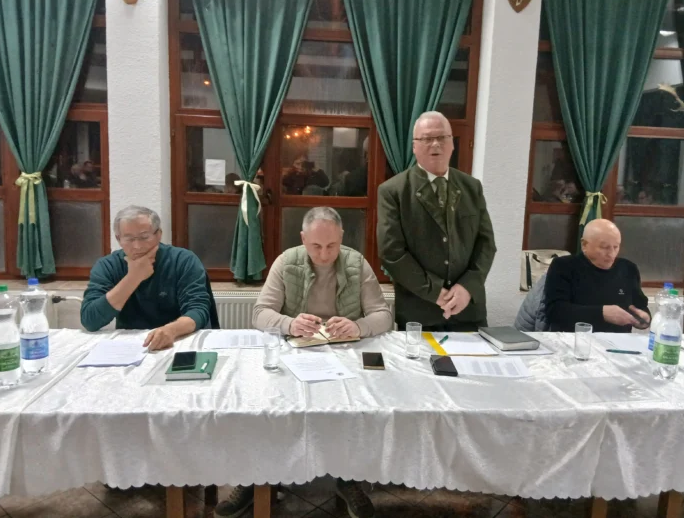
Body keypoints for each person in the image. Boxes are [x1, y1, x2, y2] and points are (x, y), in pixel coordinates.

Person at [215, 207, 390, 518]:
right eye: (316, 246)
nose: (324, 255)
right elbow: (260, 314)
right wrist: (290, 323)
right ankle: (256, 480)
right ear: (303, 239)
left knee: (353, 412)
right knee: (265, 410)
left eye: (332, 245)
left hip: (343, 354)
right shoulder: (286, 262)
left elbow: (383, 316)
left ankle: (348, 478)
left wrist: (358, 326)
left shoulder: (356, 263)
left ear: (342, 238)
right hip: (294, 354)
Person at [377, 111, 496, 332]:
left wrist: (467, 287)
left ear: (452, 144)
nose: (435, 144)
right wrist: (435, 292)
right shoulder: (394, 191)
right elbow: (391, 252)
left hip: (468, 311)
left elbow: (486, 244)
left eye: (442, 137)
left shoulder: (472, 187)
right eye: (427, 139)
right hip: (420, 314)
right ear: (414, 146)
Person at [81, 205, 213, 350]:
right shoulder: (107, 265)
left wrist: (171, 330)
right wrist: (133, 278)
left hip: (179, 340)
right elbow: (90, 321)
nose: (137, 246)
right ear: (119, 239)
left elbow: (198, 310)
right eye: (129, 239)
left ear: (158, 234)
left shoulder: (183, 260)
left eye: (144, 237)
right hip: (131, 346)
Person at [544, 218, 650, 333]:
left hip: (618, 341)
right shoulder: (564, 266)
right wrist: (601, 313)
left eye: (616, 247)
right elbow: (554, 311)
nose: (611, 254)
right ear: (584, 245)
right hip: (574, 339)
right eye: (604, 247)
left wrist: (644, 318)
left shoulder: (628, 269)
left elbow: (640, 307)